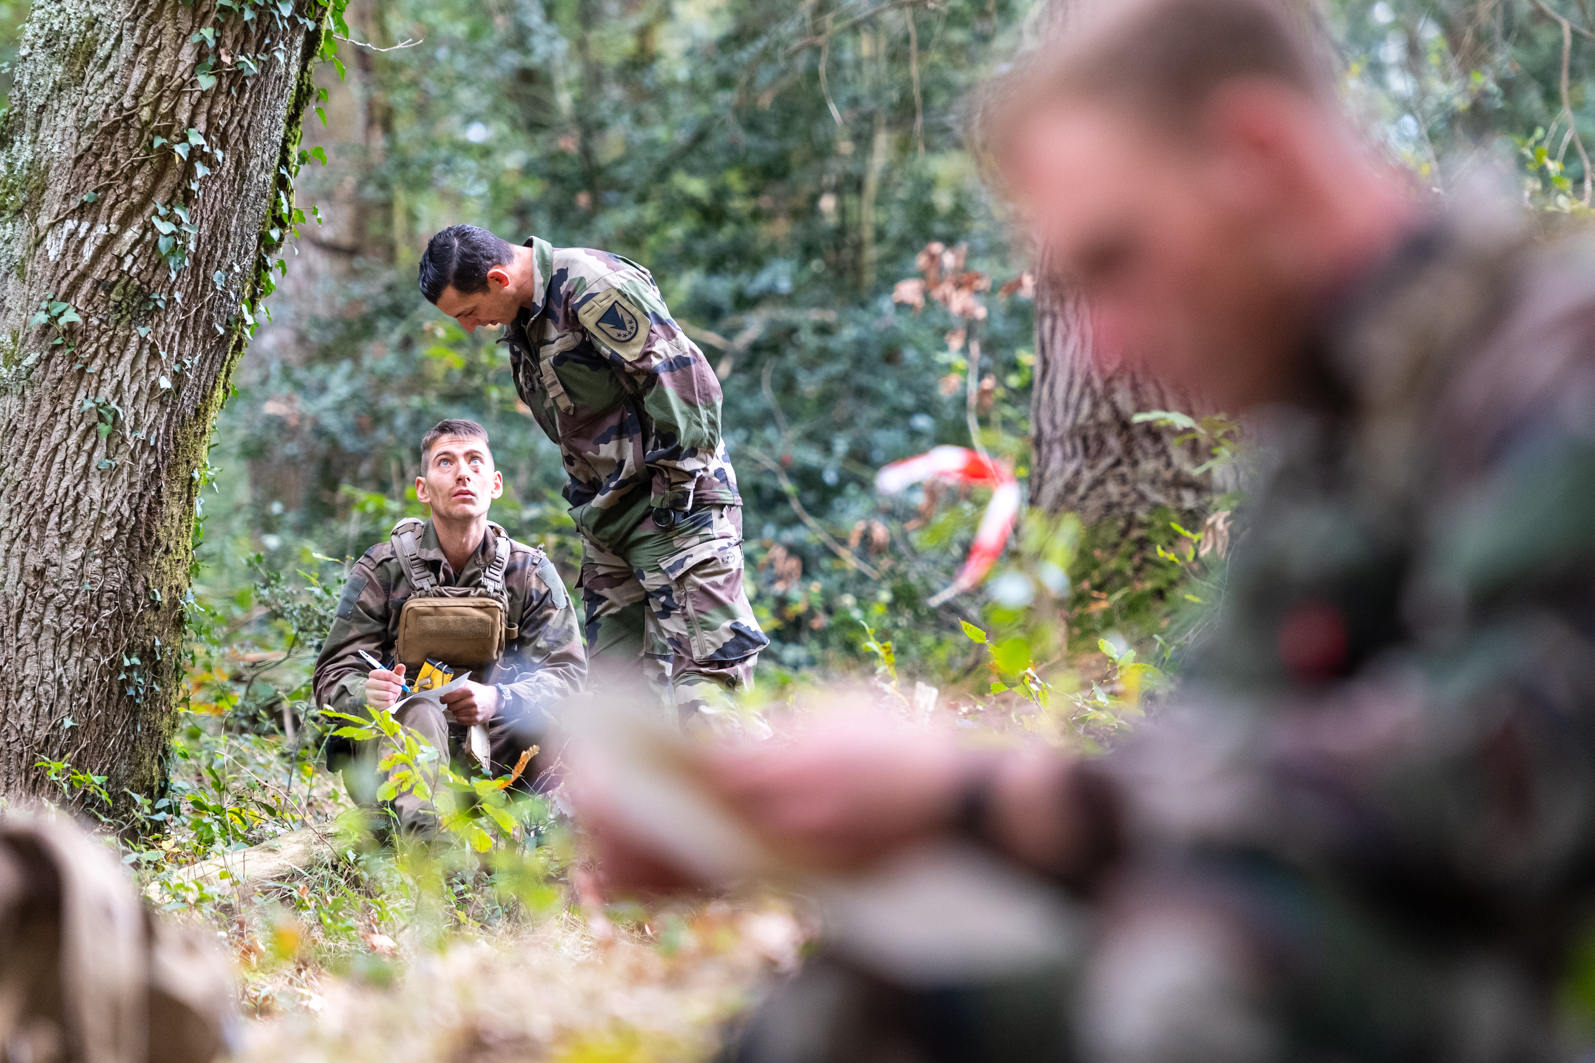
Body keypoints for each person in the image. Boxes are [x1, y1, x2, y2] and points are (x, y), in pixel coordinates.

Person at [581, 0, 1595, 1057]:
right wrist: (793, 820)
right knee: (882, 985)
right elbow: (1210, 758)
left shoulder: (1553, 352)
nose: (1103, 353)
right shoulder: (1334, 430)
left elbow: (1510, 771)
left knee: (1192, 965)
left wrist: (977, 795)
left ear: (1255, 154)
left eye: (1115, 259)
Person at [416, 226, 769, 731]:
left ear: (498, 279)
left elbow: (691, 388)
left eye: (467, 312)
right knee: (618, 702)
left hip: (675, 510)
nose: (470, 327)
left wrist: (672, 500)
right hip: (609, 522)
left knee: (711, 692)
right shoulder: (523, 319)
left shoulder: (593, 288)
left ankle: (756, 805)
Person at [314, 419, 586, 834]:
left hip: (501, 764)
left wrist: (499, 697)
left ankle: (550, 838)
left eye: (475, 461)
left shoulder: (529, 572)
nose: (463, 472)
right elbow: (332, 675)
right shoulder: (383, 568)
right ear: (423, 488)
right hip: (398, 764)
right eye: (446, 462)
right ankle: (431, 860)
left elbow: (568, 678)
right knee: (421, 710)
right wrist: (366, 692)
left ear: (494, 484)